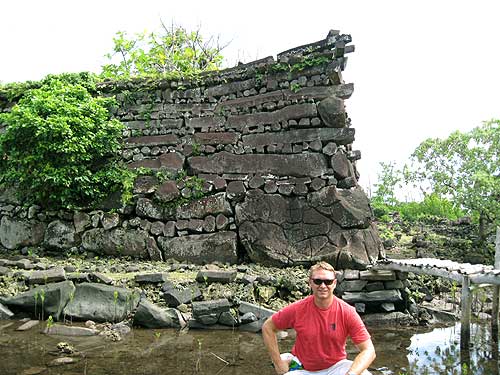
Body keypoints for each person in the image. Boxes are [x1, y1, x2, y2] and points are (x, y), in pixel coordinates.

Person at [262, 261, 376, 375]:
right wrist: (278, 363)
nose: (323, 286)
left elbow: (369, 350)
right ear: (310, 283)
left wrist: (351, 374)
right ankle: (287, 359)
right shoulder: (297, 309)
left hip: (336, 367)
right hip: (303, 369)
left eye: (328, 282)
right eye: (318, 281)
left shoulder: (347, 312)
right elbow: (268, 327)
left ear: (334, 283)